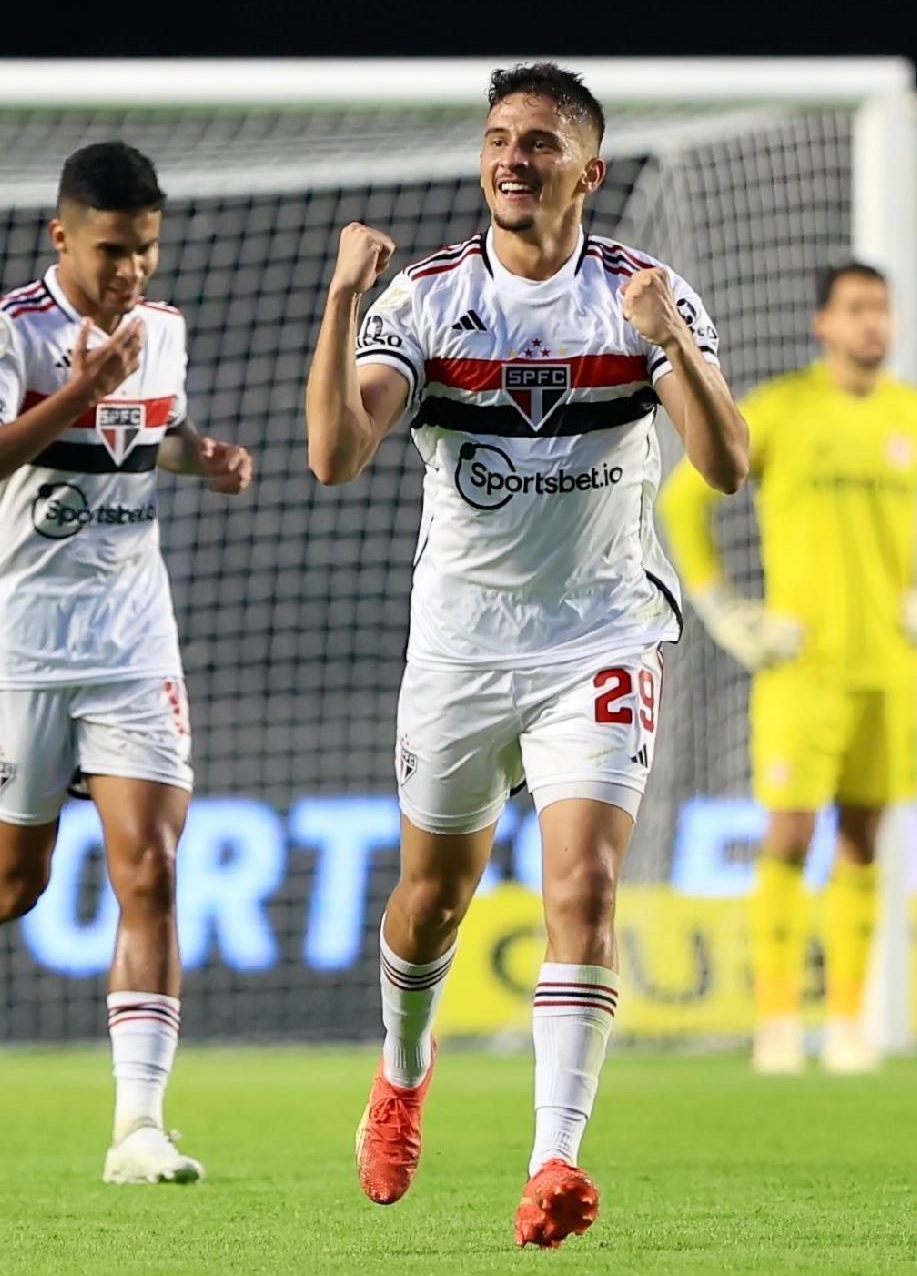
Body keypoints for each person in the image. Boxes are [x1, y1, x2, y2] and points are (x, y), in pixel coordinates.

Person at [304, 63, 750, 1248]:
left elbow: (728, 463)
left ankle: (555, 1156)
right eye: (500, 138)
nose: (513, 158)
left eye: (540, 143)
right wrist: (344, 302)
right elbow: (338, 455)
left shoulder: (641, 295)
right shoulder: (430, 298)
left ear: (588, 171)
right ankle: (402, 1074)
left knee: (582, 891)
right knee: (431, 899)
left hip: (601, 632)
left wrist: (672, 348)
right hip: (461, 643)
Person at [0, 141, 254, 1186]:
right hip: (19, 642)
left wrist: (197, 453)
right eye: (115, 251)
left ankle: (138, 1127)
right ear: (63, 236)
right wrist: (78, 391)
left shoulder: (160, 333)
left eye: (148, 252)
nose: (132, 273)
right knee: (13, 881)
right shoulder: (5, 332)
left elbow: (142, 438)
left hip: (131, 638)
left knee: (151, 869)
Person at [657, 261, 917, 1076]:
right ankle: (777, 1020)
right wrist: (727, 610)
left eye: (881, 308)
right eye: (855, 309)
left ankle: (847, 1022)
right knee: (788, 831)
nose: (871, 323)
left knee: (864, 837)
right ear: (823, 324)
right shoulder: (784, 410)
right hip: (801, 669)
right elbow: (683, 500)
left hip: (889, 664)